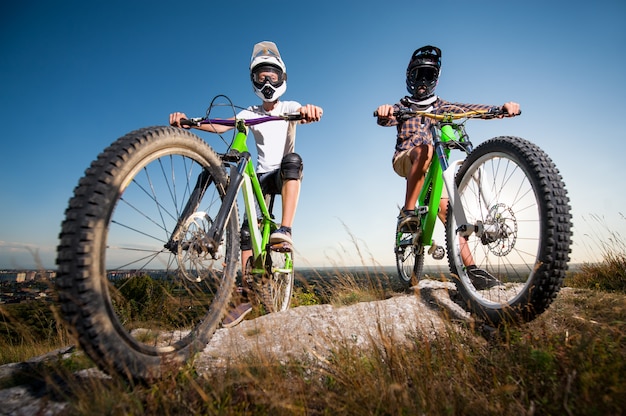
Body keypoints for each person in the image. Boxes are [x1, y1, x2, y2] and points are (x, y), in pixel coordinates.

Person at [170, 41, 323, 326]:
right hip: (260, 177)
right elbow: (221, 124)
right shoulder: (250, 112)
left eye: (272, 75)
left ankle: (285, 230)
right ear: (254, 80)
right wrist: (189, 122)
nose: (267, 81)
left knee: (293, 161)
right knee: (245, 233)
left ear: (282, 78)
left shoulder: (289, 106)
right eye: (261, 76)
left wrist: (311, 111)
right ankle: (246, 293)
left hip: (282, 174)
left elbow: (306, 112)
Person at [375, 45, 520, 290]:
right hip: (407, 159)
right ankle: (408, 213)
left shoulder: (442, 106)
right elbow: (385, 117)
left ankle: (471, 269)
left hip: (432, 166)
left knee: (448, 210)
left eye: (428, 76)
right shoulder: (402, 106)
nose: (423, 81)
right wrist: (384, 111)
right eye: (418, 75)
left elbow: (469, 109)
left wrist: (500, 110)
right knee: (425, 150)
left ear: (435, 78)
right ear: (410, 77)